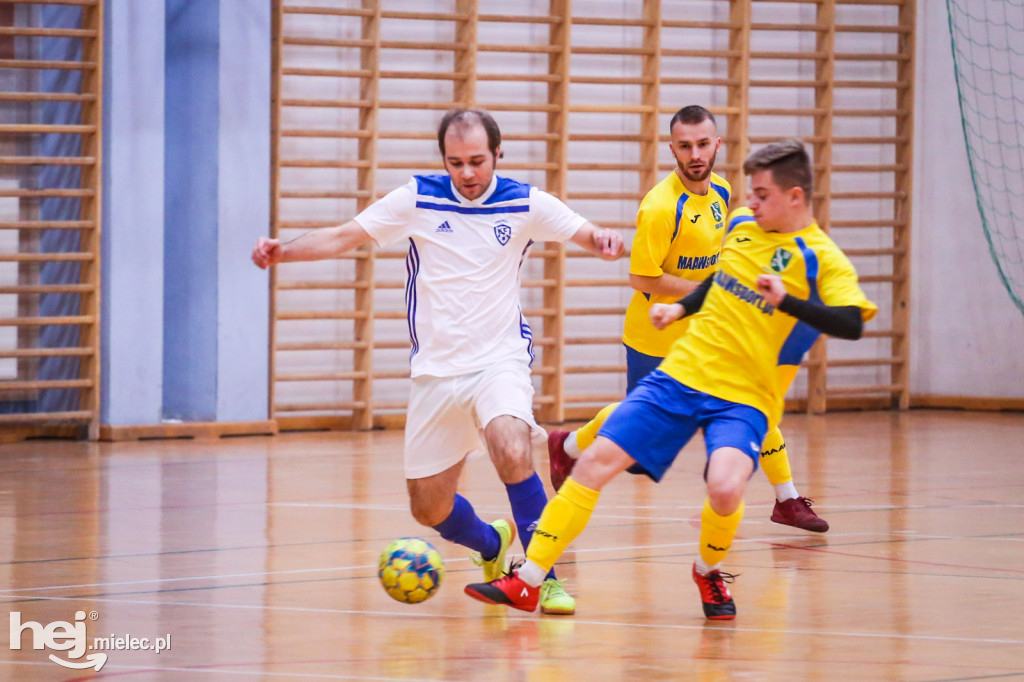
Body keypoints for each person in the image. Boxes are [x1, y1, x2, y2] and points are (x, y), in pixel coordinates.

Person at [464, 138, 876, 620]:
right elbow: (722, 284)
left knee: (725, 488)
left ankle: (708, 571)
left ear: (795, 197)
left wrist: (788, 302)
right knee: (595, 462)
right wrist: (679, 307)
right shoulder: (743, 225)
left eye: (762, 194)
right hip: (682, 373)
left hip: (746, 397)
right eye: (751, 192)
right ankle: (529, 581)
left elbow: (852, 322)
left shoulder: (822, 258)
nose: (751, 202)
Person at [252, 109, 624, 616]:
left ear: (498, 154)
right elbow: (344, 236)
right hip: (436, 374)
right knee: (428, 507)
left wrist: (603, 241)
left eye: (477, 161)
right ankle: (491, 546)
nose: (467, 173)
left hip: (500, 361)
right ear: (443, 160)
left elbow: (588, 233)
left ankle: (542, 578)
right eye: (456, 162)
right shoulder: (417, 198)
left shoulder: (524, 203)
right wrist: (283, 253)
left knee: (511, 446)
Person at [547, 105, 828, 533]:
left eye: (702, 144)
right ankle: (566, 445)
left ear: (717, 144)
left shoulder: (721, 191)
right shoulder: (661, 207)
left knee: (754, 401)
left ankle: (786, 499)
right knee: (632, 430)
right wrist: (704, 292)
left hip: (708, 330)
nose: (695, 153)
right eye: (685, 146)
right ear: (672, 149)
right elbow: (641, 277)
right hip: (655, 333)